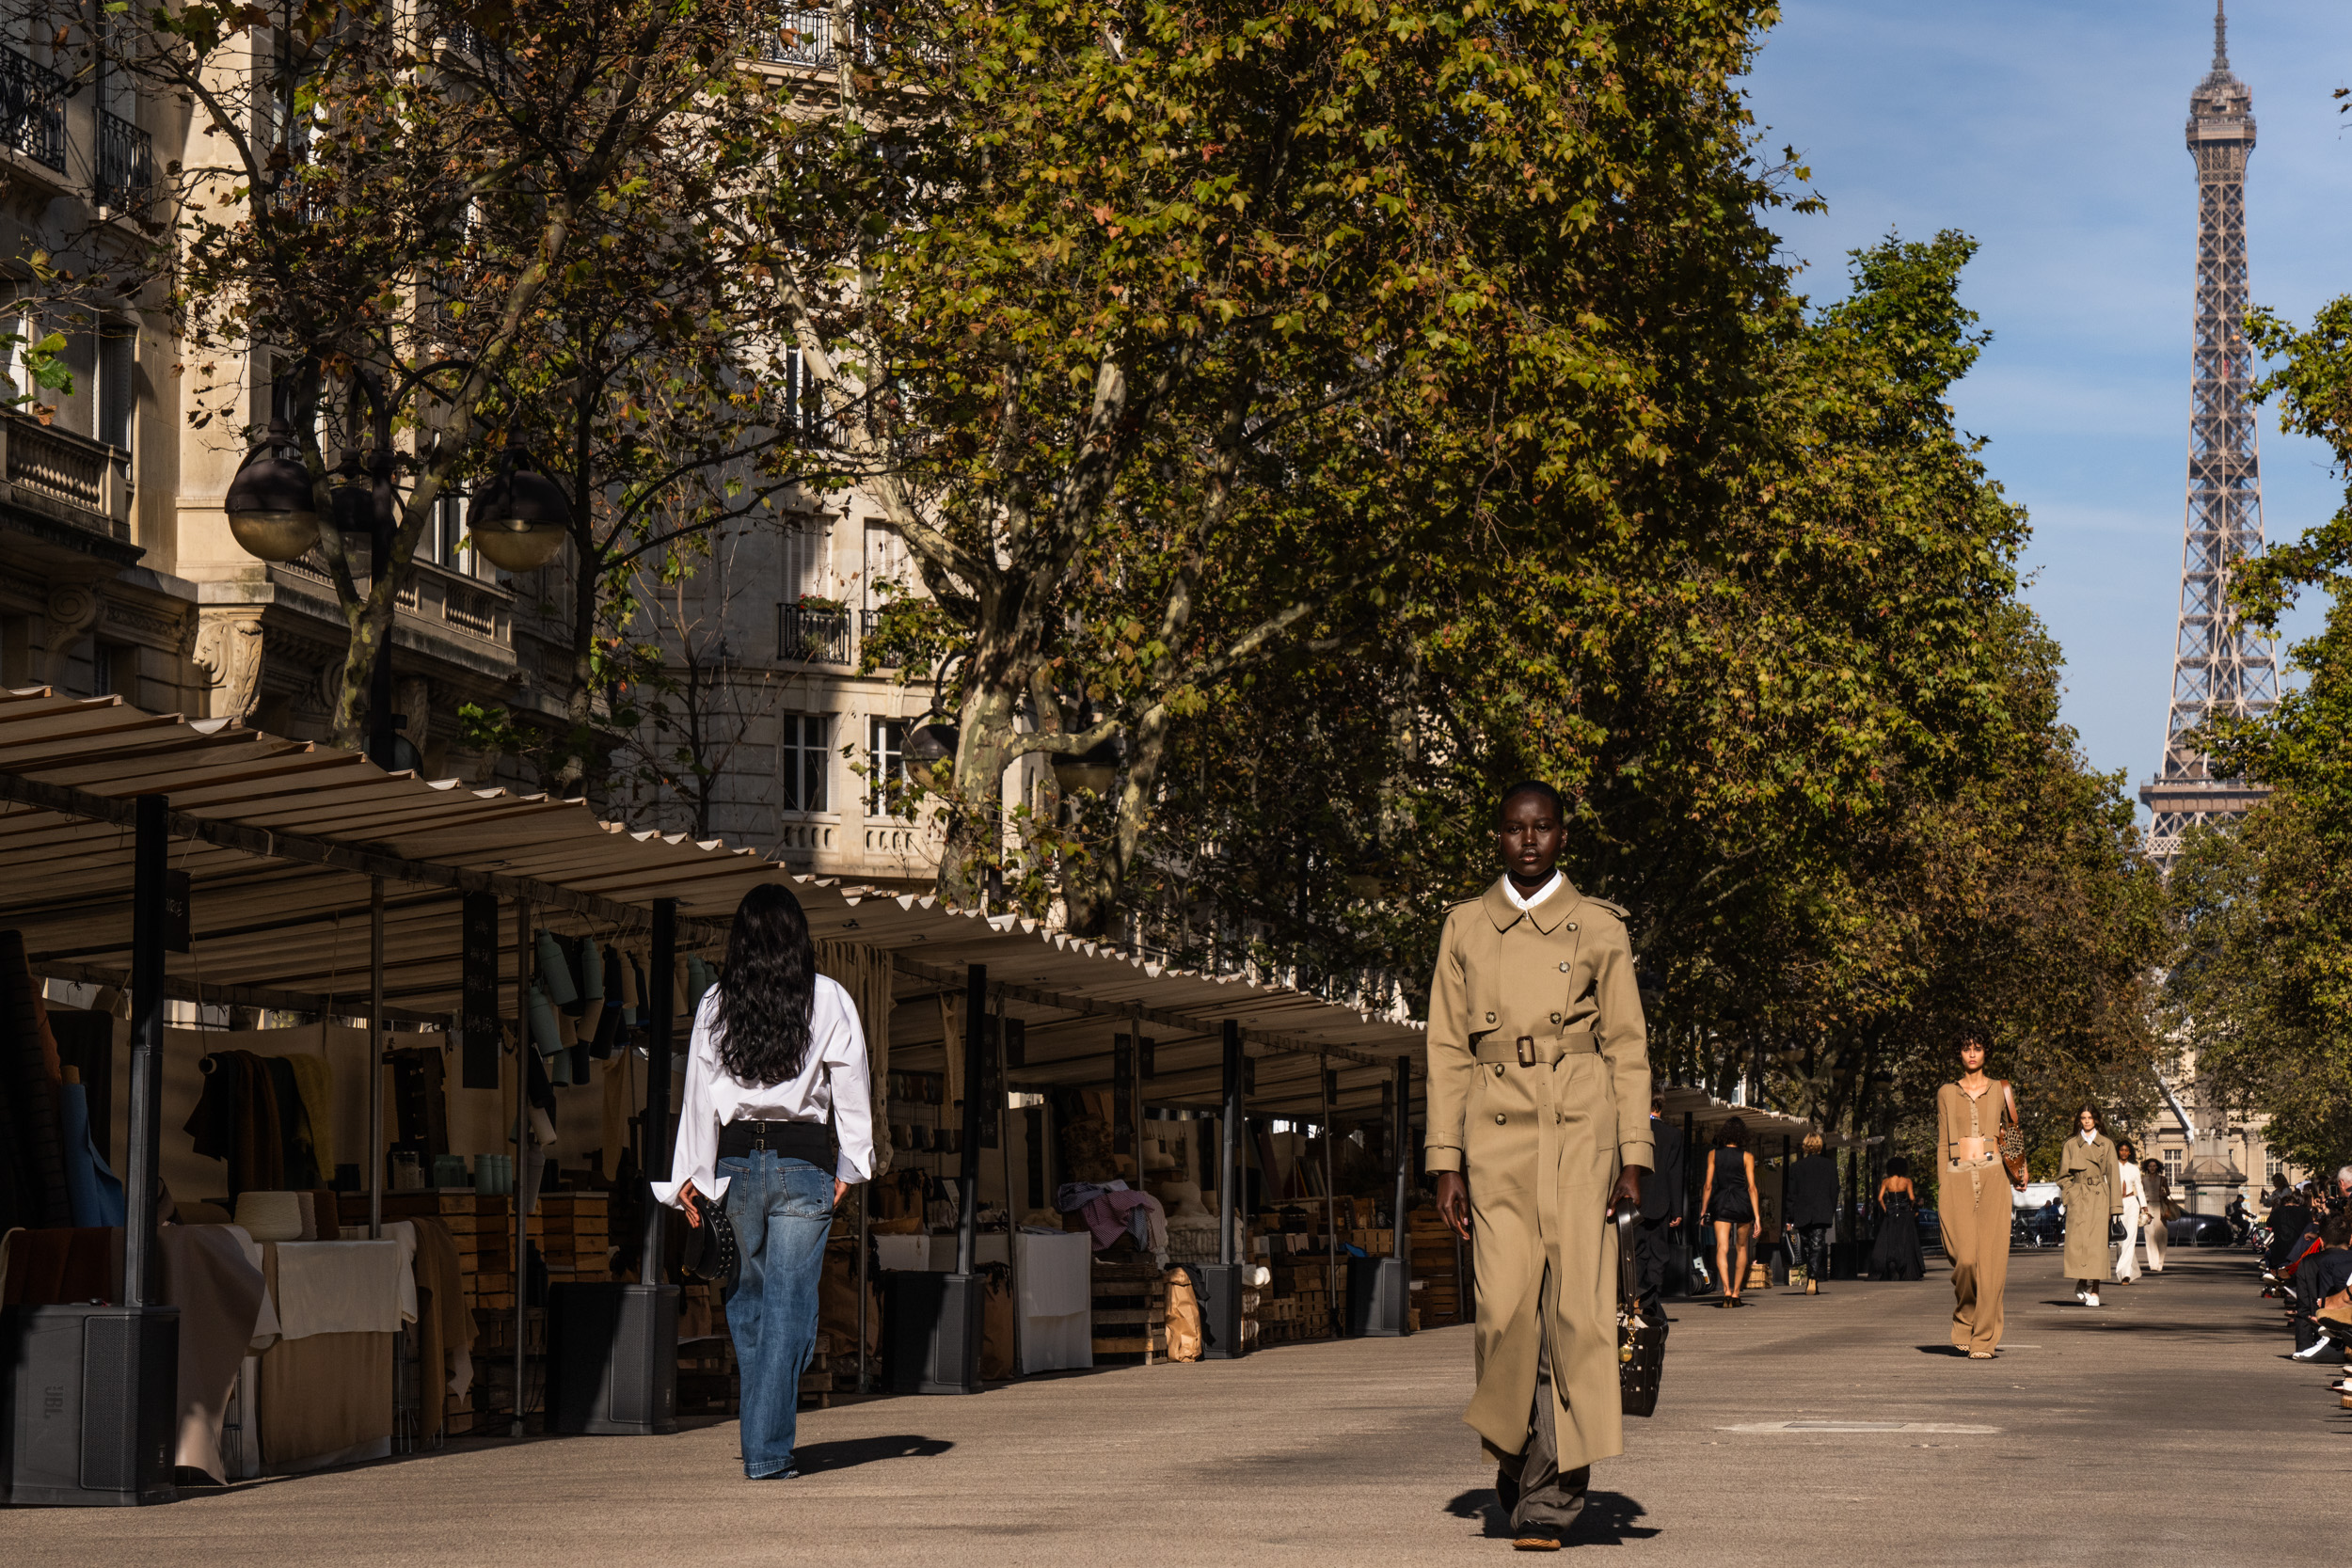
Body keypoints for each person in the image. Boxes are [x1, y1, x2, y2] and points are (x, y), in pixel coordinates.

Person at [1427, 781, 1651, 1553]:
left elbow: (1627, 1045)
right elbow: (1446, 1051)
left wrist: (1634, 1155)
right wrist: (1444, 1160)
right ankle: (1517, 1455)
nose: (1529, 840)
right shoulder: (1462, 927)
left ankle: (1555, 1493)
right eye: (1516, 828)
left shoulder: (1599, 926)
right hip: (1494, 1134)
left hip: (1580, 1125)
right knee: (1502, 1311)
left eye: (1543, 827)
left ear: (1563, 835)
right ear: (1498, 836)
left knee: (1578, 1317)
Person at [656, 883, 873, 1481]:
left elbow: (697, 1099)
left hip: (733, 1167)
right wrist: (852, 1166)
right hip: (804, 1164)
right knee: (788, 1307)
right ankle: (768, 1447)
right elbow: (852, 1084)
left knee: (749, 1304)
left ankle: (765, 1444)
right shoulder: (828, 997)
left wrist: (690, 1181)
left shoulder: (715, 1003)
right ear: (800, 938)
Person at [1937, 1037, 2026, 1358]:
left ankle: (1983, 1339)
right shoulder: (1946, 1093)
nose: (1972, 1054)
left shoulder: (2001, 1089)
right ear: (1958, 1053)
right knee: (1965, 1259)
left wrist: (2020, 1168)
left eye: (1977, 1048)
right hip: (1957, 1176)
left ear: (1986, 1052)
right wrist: (1942, 1184)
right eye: (1965, 1048)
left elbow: (2012, 1130)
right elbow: (1942, 1142)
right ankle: (1965, 1316)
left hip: (1994, 1176)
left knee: (1991, 1264)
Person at [2058, 1106, 2122, 1307]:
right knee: (2078, 1245)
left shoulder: (2107, 1144)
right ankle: (2081, 1281)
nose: (2087, 1121)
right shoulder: (2070, 1144)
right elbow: (2062, 1175)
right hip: (2079, 1197)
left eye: (2090, 1117)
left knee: (2098, 1246)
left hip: (2099, 1197)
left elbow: (2114, 1176)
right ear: (2079, 1120)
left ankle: (2095, 1290)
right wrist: (2070, 1196)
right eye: (2083, 1118)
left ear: (2096, 1119)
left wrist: (2115, 1208)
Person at [1700, 1119, 1761, 1308]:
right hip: (1742, 1202)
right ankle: (1736, 1293)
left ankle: (1726, 1290)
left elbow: (1708, 1185)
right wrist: (1757, 1216)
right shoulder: (1747, 1156)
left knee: (1722, 1247)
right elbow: (1751, 1187)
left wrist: (1703, 1210)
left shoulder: (1713, 1155)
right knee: (1742, 1247)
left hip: (1721, 1201)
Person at [1633, 1096, 1686, 1316]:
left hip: (1632, 1200)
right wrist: (1677, 1209)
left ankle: (1632, 1296)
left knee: (1634, 1251)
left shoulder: (1631, 1132)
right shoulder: (1673, 1135)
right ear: (1661, 1107)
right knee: (1658, 1254)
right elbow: (1675, 1173)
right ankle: (1649, 1299)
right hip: (1660, 1201)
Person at [2291, 1212, 2352, 1362]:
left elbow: (2303, 1310)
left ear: (2322, 1242)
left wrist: (2303, 1347)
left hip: (2320, 1328)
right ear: (2350, 1240)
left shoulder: (2307, 1263)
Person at [1786, 1132, 1838, 1295]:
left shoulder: (1796, 1167)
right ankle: (1813, 1278)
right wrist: (1831, 1209)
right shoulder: (1830, 1166)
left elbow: (1791, 1193)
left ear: (1805, 1146)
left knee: (1808, 1246)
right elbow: (1834, 1190)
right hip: (1821, 1210)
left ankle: (1812, 1277)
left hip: (1802, 1211)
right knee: (1817, 1245)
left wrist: (1789, 1217)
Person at [1868, 1156, 1926, 1281]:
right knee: (1905, 1239)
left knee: (1890, 1239)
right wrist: (1910, 1207)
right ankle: (1905, 1267)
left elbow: (1879, 1198)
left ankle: (1891, 1265)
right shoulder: (1907, 1181)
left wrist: (1885, 1209)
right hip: (1904, 1212)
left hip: (1891, 1212)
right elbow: (1911, 1197)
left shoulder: (1886, 1181)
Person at [2113, 1140, 2146, 1284]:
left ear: (2130, 1152)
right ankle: (2124, 1270)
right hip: (2117, 1204)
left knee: (2130, 1240)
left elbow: (2140, 1188)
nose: (2124, 1153)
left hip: (2132, 1203)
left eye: (2127, 1150)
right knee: (2120, 1241)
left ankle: (2125, 1274)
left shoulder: (2134, 1168)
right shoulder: (2111, 1167)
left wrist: (2144, 1207)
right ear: (2118, 1151)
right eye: (2122, 1150)